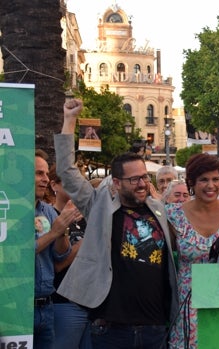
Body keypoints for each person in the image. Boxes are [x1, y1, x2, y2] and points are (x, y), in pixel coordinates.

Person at [54, 98, 179, 349]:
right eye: (134, 180)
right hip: (112, 328)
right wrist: (70, 120)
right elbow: (67, 172)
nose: (142, 184)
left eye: (144, 177)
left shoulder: (159, 210)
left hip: (155, 328)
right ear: (117, 183)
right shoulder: (99, 207)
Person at [165, 153, 219, 349]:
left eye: (215, 179)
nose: (211, 185)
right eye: (203, 180)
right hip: (188, 306)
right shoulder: (172, 215)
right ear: (191, 183)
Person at [34, 149, 77, 349]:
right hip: (18, 307)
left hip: (47, 307)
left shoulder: (48, 211)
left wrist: (63, 230)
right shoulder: (7, 210)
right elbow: (17, 252)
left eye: (46, 174)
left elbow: (61, 254)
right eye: (39, 173)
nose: (45, 179)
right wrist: (53, 233)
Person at [48, 164, 91, 349]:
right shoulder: (48, 216)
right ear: (54, 185)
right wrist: (84, 244)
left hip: (90, 303)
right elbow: (55, 265)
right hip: (63, 303)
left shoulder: (85, 218)